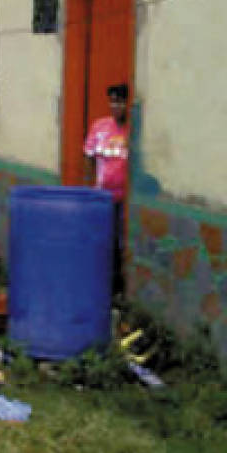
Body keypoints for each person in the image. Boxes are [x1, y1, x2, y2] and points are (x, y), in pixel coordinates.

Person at [84, 82, 130, 297]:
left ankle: (119, 288)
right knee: (103, 240)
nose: (116, 106)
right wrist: (90, 191)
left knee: (121, 243)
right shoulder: (100, 127)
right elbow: (90, 158)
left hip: (126, 199)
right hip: (102, 197)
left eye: (120, 102)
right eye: (112, 101)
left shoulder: (134, 132)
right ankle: (102, 285)